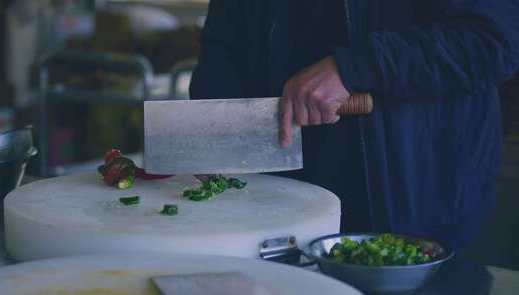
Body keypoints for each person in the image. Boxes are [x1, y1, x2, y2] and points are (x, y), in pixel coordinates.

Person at [189, 0, 519, 251]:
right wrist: (216, 129)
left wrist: (356, 66)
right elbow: (224, 45)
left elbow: (493, 39)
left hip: (418, 203)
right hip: (276, 212)